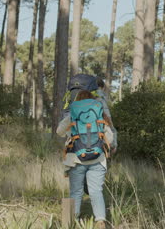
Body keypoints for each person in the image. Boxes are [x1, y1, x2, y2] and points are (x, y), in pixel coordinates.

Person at [56, 90, 115, 229]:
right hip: (98, 159)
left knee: (76, 191)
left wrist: (72, 133)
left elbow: (59, 131)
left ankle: (70, 222)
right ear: (93, 101)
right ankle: (100, 221)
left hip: (76, 159)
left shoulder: (73, 115)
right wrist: (99, 145)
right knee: (96, 191)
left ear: (78, 101)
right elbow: (110, 137)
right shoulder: (99, 115)